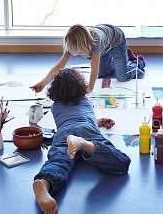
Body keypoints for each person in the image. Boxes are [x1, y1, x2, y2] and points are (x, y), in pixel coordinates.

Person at [32, 68, 131, 214]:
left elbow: (71, 120)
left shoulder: (55, 107)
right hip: (86, 130)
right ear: (80, 86)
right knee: (121, 162)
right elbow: (85, 120)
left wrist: (101, 121)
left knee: (59, 161)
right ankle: (85, 145)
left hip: (64, 133)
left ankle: (44, 183)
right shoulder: (86, 101)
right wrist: (101, 122)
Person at [31, 24, 145, 93]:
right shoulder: (70, 45)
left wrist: (90, 87)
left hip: (116, 41)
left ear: (82, 46)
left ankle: (137, 61)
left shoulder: (96, 41)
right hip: (104, 47)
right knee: (103, 74)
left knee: (122, 77)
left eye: (74, 50)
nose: (70, 52)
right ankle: (120, 60)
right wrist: (43, 83)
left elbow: (94, 67)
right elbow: (58, 66)